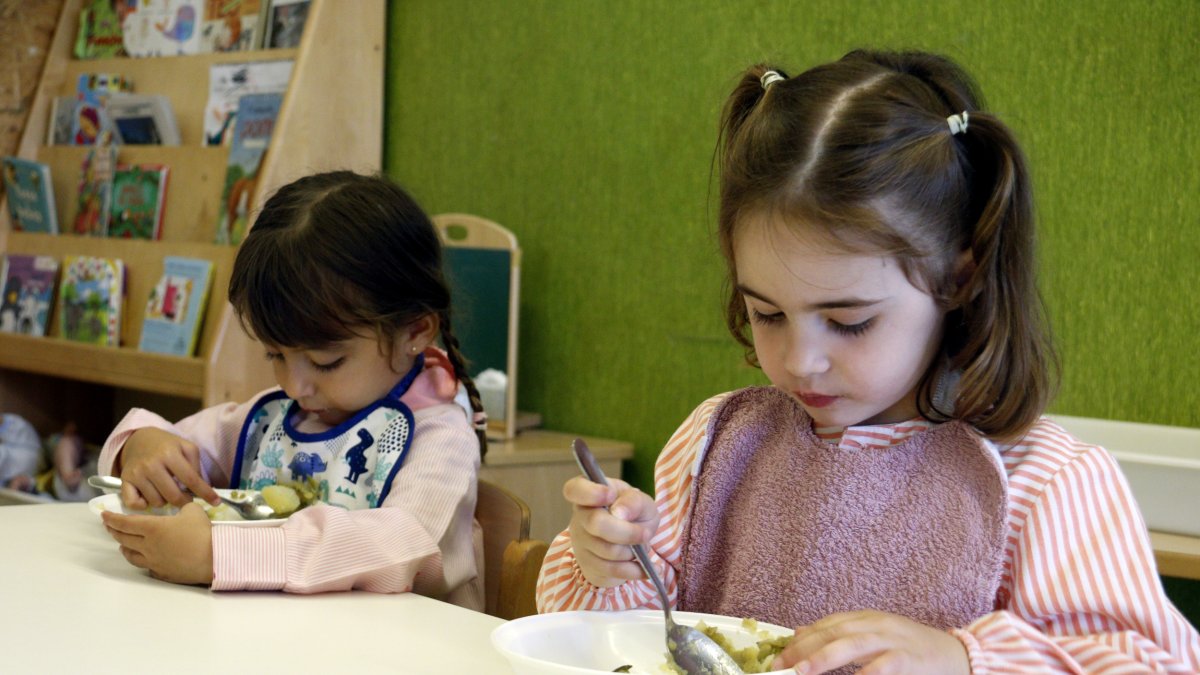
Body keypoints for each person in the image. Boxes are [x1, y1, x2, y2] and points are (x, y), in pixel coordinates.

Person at [536, 50, 1200, 673]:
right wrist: (607, 562)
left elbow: (1154, 660)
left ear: (958, 279)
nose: (801, 360)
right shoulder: (718, 443)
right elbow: (630, 639)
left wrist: (962, 656)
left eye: (850, 321)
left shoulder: (1045, 481)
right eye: (768, 313)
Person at [99, 171, 489, 608]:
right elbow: (180, 445)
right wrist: (141, 447)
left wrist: (220, 555)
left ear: (414, 331)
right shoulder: (286, 416)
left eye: (326, 362)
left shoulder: (439, 438)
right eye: (275, 356)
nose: (293, 384)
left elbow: (405, 547)